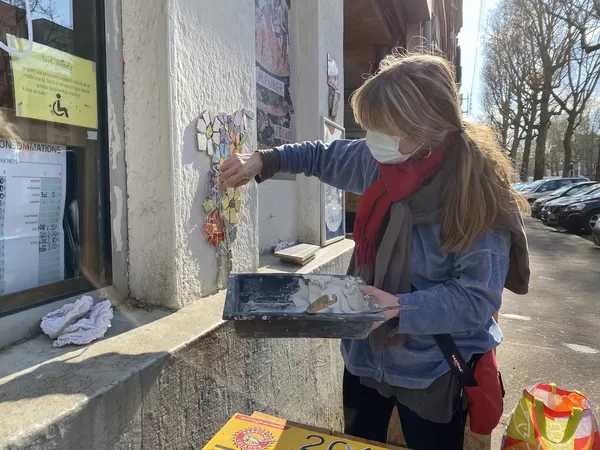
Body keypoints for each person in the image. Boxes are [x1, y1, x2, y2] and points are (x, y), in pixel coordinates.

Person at [219, 52, 530, 450]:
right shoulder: (381, 160)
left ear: (424, 130)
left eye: (382, 128)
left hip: (430, 370)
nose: (371, 139)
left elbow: (476, 298)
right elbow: (321, 155)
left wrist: (399, 308)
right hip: (365, 359)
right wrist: (262, 159)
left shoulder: (477, 194)